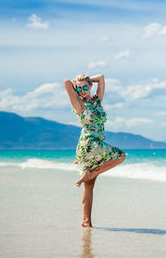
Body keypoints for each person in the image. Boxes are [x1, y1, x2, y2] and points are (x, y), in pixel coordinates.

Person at [64, 74, 126, 227]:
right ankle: (91, 173)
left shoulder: (97, 101)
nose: (83, 90)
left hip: (89, 145)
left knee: (89, 185)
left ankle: (86, 221)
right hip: (90, 143)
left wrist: (86, 79)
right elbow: (66, 83)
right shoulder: (79, 104)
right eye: (79, 88)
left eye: (85, 87)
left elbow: (102, 78)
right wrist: (74, 84)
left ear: (90, 86)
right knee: (121, 156)